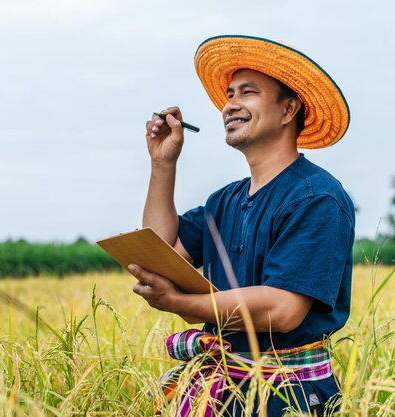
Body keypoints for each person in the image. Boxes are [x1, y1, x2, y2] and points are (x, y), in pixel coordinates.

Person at [129, 35, 355, 416]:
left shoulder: (317, 198)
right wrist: (163, 164)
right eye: (230, 94)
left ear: (288, 110)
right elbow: (161, 254)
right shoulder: (224, 202)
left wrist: (182, 304)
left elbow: (283, 309)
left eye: (247, 93)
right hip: (218, 390)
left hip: (288, 395)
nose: (230, 104)